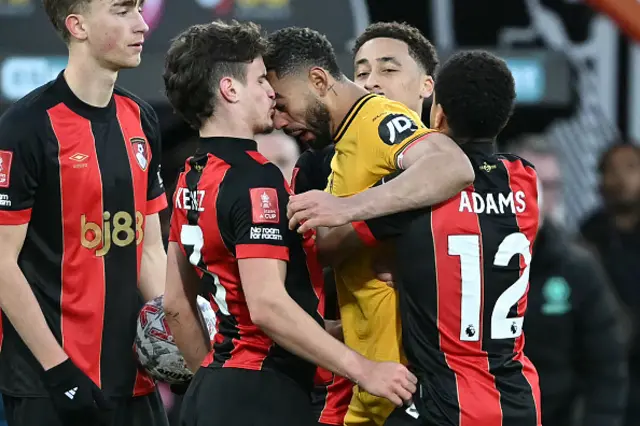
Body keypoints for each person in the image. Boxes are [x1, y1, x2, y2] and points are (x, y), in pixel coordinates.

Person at [160, 20, 417, 426]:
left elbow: (175, 304)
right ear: (230, 90)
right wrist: (364, 368)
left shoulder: (191, 176)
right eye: (261, 80)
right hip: (264, 396)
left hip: (210, 393)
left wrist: (211, 383)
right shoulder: (255, 178)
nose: (270, 93)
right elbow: (267, 307)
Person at [291, 50, 542, 426]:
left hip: (445, 402)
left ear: (437, 112)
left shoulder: (418, 193)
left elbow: (327, 247)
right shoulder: (525, 180)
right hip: (520, 397)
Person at [264, 26, 473, 426]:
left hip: (397, 392)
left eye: (284, 104)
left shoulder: (380, 119)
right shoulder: (340, 145)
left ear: (319, 80)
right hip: (364, 390)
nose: (278, 120)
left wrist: (350, 208)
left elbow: (452, 166)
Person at [0, 0, 169, 425]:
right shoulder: (25, 126)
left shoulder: (141, 118)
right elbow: (2, 263)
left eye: (139, 9)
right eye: (122, 11)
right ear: (77, 26)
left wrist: (177, 332)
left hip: (135, 381)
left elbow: (149, 250)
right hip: (51, 385)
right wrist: (58, 371)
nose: (141, 23)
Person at [580, 143, 640, 426]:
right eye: (611, 170)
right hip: (602, 367)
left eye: (630, 168)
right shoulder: (588, 236)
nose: (620, 179)